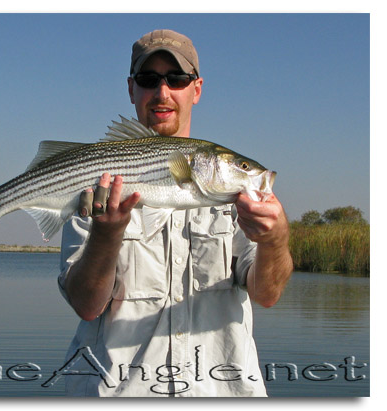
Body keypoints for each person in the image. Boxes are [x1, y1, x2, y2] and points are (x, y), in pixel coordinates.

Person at [57, 29, 293, 397]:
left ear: (196, 89)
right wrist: (106, 236)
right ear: (132, 89)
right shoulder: (98, 183)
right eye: (149, 80)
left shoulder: (241, 201)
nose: (162, 92)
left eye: (177, 79)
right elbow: (87, 306)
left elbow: (267, 294)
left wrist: (275, 240)